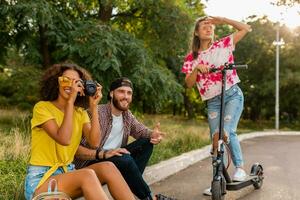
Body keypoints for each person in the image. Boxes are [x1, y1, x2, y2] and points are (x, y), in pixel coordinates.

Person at [24, 63, 135, 200]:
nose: (70, 85)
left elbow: (95, 143)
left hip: (68, 174)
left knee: (108, 167)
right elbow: (64, 139)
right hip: (42, 180)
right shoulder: (42, 108)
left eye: (75, 82)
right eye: (65, 80)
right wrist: (70, 102)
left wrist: (93, 107)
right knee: (86, 175)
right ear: (56, 82)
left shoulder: (79, 113)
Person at [181, 16, 252, 195]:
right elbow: (188, 84)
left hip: (232, 95)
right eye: (203, 26)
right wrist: (197, 69)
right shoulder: (192, 58)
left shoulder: (223, 44)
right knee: (215, 139)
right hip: (213, 102)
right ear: (196, 32)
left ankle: (240, 168)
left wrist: (224, 20)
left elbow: (245, 28)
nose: (208, 28)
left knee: (227, 132)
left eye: (210, 25)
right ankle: (217, 179)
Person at [73, 77, 176, 200]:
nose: (126, 96)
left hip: (116, 159)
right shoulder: (95, 112)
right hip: (91, 162)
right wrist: (104, 154)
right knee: (124, 157)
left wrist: (152, 134)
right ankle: (150, 198)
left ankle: (127, 186)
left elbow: (141, 131)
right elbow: (76, 150)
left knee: (146, 143)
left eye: (129, 93)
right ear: (111, 94)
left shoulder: (127, 115)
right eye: (121, 91)